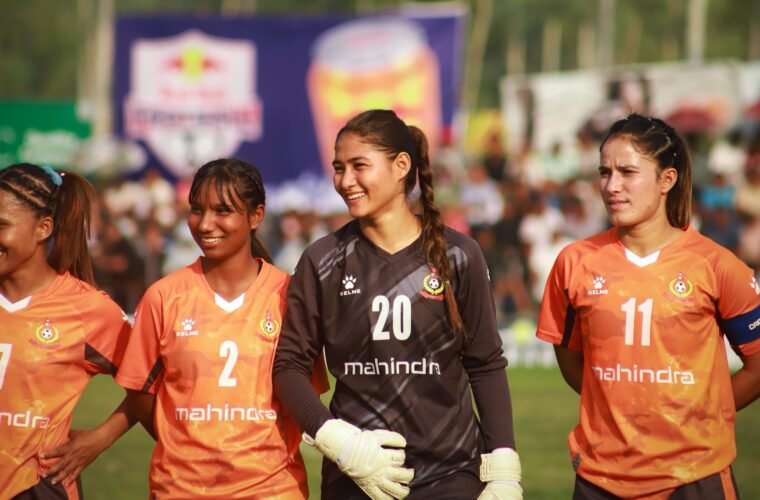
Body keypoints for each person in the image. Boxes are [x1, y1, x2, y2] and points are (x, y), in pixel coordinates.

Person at [273, 109, 522, 500]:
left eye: (359, 166)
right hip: (355, 477)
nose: (345, 181)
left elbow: (485, 362)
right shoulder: (321, 261)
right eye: (338, 168)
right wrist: (336, 439)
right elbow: (289, 367)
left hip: (451, 476)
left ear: (401, 165)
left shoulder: (459, 255)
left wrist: (504, 468)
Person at [46, 158, 326, 498]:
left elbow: (303, 394)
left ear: (256, 216)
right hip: (180, 489)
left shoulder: (288, 296)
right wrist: (189, 444)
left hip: (273, 490)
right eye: (197, 210)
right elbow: (142, 395)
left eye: (222, 211)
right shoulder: (163, 297)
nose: (205, 224)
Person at [536, 113, 760, 499]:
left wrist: (706, 413)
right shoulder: (574, 263)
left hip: (695, 477)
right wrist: (619, 404)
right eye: (604, 172)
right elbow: (571, 361)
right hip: (599, 480)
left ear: (666, 180)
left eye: (627, 172)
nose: (612, 186)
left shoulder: (716, 265)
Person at [0, 163, 131, 499]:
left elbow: (151, 382)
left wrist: (100, 438)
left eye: (1, 226)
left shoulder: (88, 309)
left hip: (35, 488)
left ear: (43, 228)